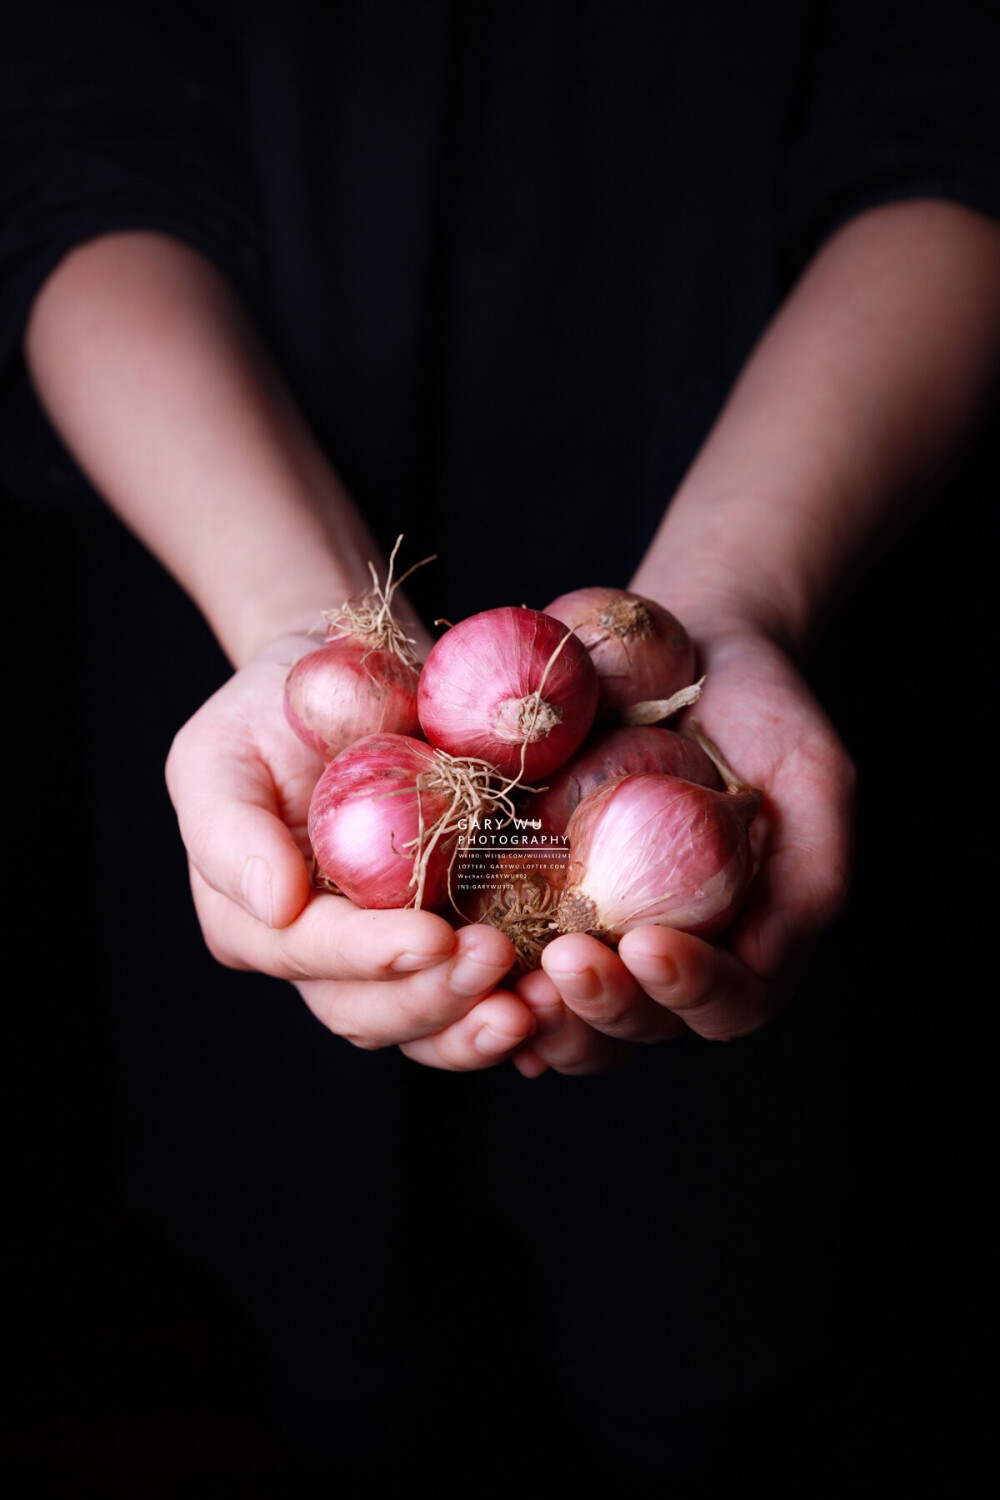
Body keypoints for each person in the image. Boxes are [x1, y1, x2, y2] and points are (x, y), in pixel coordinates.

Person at [4, 0, 999, 1476]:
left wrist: (740, 594)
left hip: (818, 513)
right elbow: (71, 146)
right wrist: (304, 618)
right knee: (337, 1324)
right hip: (226, 535)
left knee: (706, 1325)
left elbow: (957, 113)